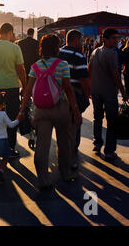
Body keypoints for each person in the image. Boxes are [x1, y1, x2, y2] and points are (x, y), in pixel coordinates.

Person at [19, 34, 82, 189]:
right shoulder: (62, 65)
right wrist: (75, 109)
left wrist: (21, 111)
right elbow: (68, 89)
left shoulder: (36, 66)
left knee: (42, 145)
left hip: (41, 109)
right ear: (56, 47)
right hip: (60, 107)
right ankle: (65, 173)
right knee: (64, 142)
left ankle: (43, 179)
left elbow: (27, 91)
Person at [0, 23, 27, 158]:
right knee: (12, 117)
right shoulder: (15, 48)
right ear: (9, 32)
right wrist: (24, 86)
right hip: (12, 87)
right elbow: (20, 69)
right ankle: (10, 147)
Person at [89, 28, 129, 160]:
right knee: (112, 121)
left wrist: (90, 87)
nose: (116, 41)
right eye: (113, 38)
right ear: (104, 39)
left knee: (97, 118)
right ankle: (109, 150)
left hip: (96, 91)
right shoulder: (111, 53)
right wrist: (123, 93)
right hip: (109, 92)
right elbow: (115, 75)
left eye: (117, 38)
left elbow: (89, 70)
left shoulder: (95, 51)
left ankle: (97, 143)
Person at [58, 30, 90, 168]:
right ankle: (71, 153)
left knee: (61, 126)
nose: (82, 43)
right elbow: (83, 79)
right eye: (81, 40)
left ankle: (62, 150)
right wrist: (87, 93)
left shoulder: (58, 53)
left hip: (58, 94)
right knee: (74, 124)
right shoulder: (79, 55)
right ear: (75, 40)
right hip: (74, 94)